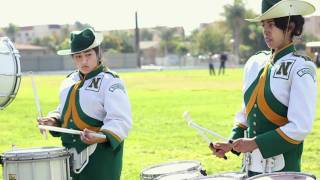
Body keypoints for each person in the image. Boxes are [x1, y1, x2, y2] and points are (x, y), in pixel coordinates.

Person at [209, 0, 317, 177]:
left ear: (290, 26)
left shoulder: (301, 68)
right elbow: (246, 113)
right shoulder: (254, 62)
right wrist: (231, 143)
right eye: (263, 25)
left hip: (283, 172)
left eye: (272, 25)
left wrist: (254, 143)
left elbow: (300, 127)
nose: (266, 31)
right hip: (250, 169)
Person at [38, 28, 132, 180]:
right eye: (78, 56)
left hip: (100, 159)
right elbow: (63, 109)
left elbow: (120, 120)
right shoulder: (69, 81)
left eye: (88, 55)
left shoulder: (111, 82)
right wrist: (53, 120)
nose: (83, 61)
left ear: (98, 54)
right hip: (69, 157)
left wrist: (99, 136)